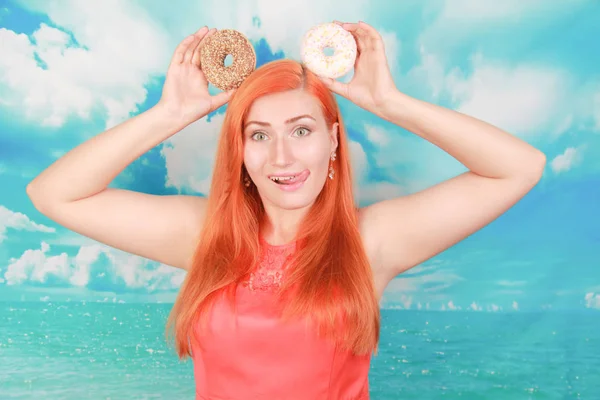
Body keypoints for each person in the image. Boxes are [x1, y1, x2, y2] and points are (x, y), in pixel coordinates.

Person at [26, 22, 546, 399]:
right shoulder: (202, 234)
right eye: (259, 135)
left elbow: (518, 167)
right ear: (241, 153)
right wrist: (169, 115)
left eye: (302, 130)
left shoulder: (372, 241)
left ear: (333, 142)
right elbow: (54, 194)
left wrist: (390, 103)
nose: (282, 156)